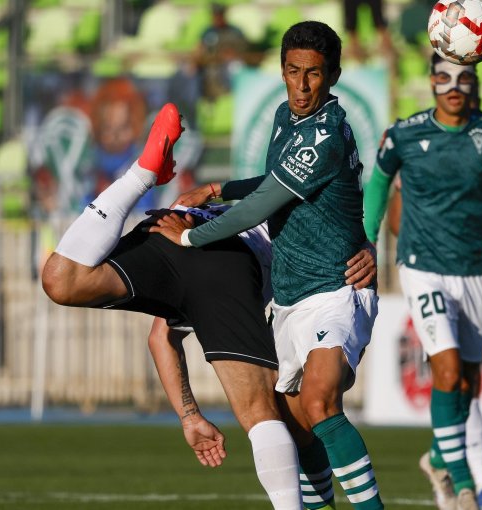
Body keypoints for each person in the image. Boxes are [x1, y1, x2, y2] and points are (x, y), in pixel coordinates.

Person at [40, 103, 374, 509]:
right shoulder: (298, 203)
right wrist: (364, 244)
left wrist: (188, 416)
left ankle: (141, 175)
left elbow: (161, 338)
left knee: (63, 280)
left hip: (168, 226)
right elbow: (310, 208)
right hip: (223, 253)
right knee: (265, 415)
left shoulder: (286, 182)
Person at [149, 21, 384, 510]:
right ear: (281, 70)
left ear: (333, 75)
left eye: (314, 74)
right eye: (293, 71)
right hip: (290, 296)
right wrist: (218, 188)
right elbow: (271, 181)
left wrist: (191, 235)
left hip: (335, 286)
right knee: (298, 430)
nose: (301, 85)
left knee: (321, 401)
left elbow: (259, 207)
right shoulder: (285, 117)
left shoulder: (325, 134)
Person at [362, 54, 482, 510]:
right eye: (443, 77)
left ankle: (439, 456)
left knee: (469, 385)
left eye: (463, 78)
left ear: (474, 83)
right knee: (449, 368)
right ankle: (462, 486)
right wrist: (367, 240)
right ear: (432, 83)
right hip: (422, 266)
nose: (453, 86)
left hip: (476, 269)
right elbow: (378, 183)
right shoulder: (404, 132)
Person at [195, 3, 249, 99]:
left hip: (230, 67)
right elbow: (199, 50)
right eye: (215, 15)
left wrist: (232, 54)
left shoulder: (235, 32)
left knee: (235, 67)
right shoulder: (207, 32)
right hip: (211, 67)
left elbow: (246, 50)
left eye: (219, 15)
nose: (217, 18)